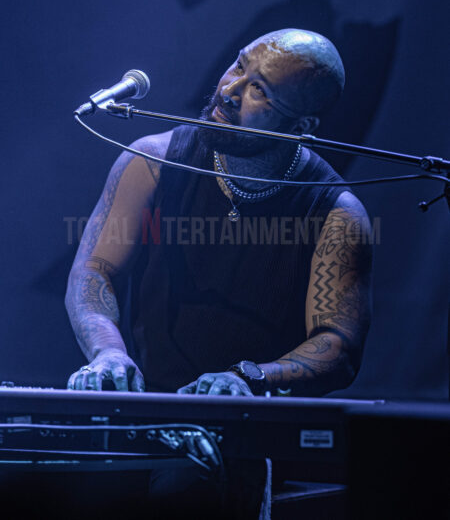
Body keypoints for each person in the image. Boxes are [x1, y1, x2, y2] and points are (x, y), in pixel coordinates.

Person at [66, 28, 372, 516]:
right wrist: (108, 352)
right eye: (239, 65)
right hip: (141, 418)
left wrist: (249, 378)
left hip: (245, 436)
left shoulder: (336, 212)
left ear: (302, 125)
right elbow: (94, 272)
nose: (229, 89)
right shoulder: (152, 161)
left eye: (260, 90)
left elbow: (338, 347)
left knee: (190, 487)